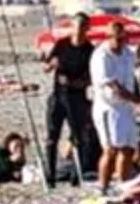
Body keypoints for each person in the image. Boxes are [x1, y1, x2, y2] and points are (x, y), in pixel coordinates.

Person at [40, 11, 100, 188]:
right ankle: (50, 176)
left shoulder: (90, 50)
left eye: (82, 26)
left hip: (77, 98)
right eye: (76, 26)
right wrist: (50, 64)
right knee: (52, 137)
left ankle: (77, 174)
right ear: (72, 27)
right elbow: (46, 66)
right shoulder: (62, 44)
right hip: (57, 96)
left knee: (78, 137)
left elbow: (91, 78)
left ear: (87, 29)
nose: (79, 30)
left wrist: (74, 82)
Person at [89, 17, 140, 191]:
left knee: (128, 148)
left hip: (126, 108)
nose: (120, 42)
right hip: (108, 107)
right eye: (116, 38)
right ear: (108, 37)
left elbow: (132, 78)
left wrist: (137, 97)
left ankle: (123, 186)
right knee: (111, 149)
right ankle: (103, 186)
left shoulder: (128, 54)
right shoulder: (101, 56)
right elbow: (113, 86)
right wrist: (136, 100)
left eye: (122, 38)